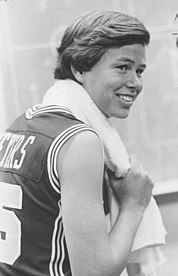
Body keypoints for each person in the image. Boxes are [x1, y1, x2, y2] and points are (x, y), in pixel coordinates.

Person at [0, 11, 155, 276]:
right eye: (122, 67)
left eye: (139, 70)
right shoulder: (79, 141)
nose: (136, 82)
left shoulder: (20, 123)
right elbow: (94, 272)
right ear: (79, 68)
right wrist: (134, 204)